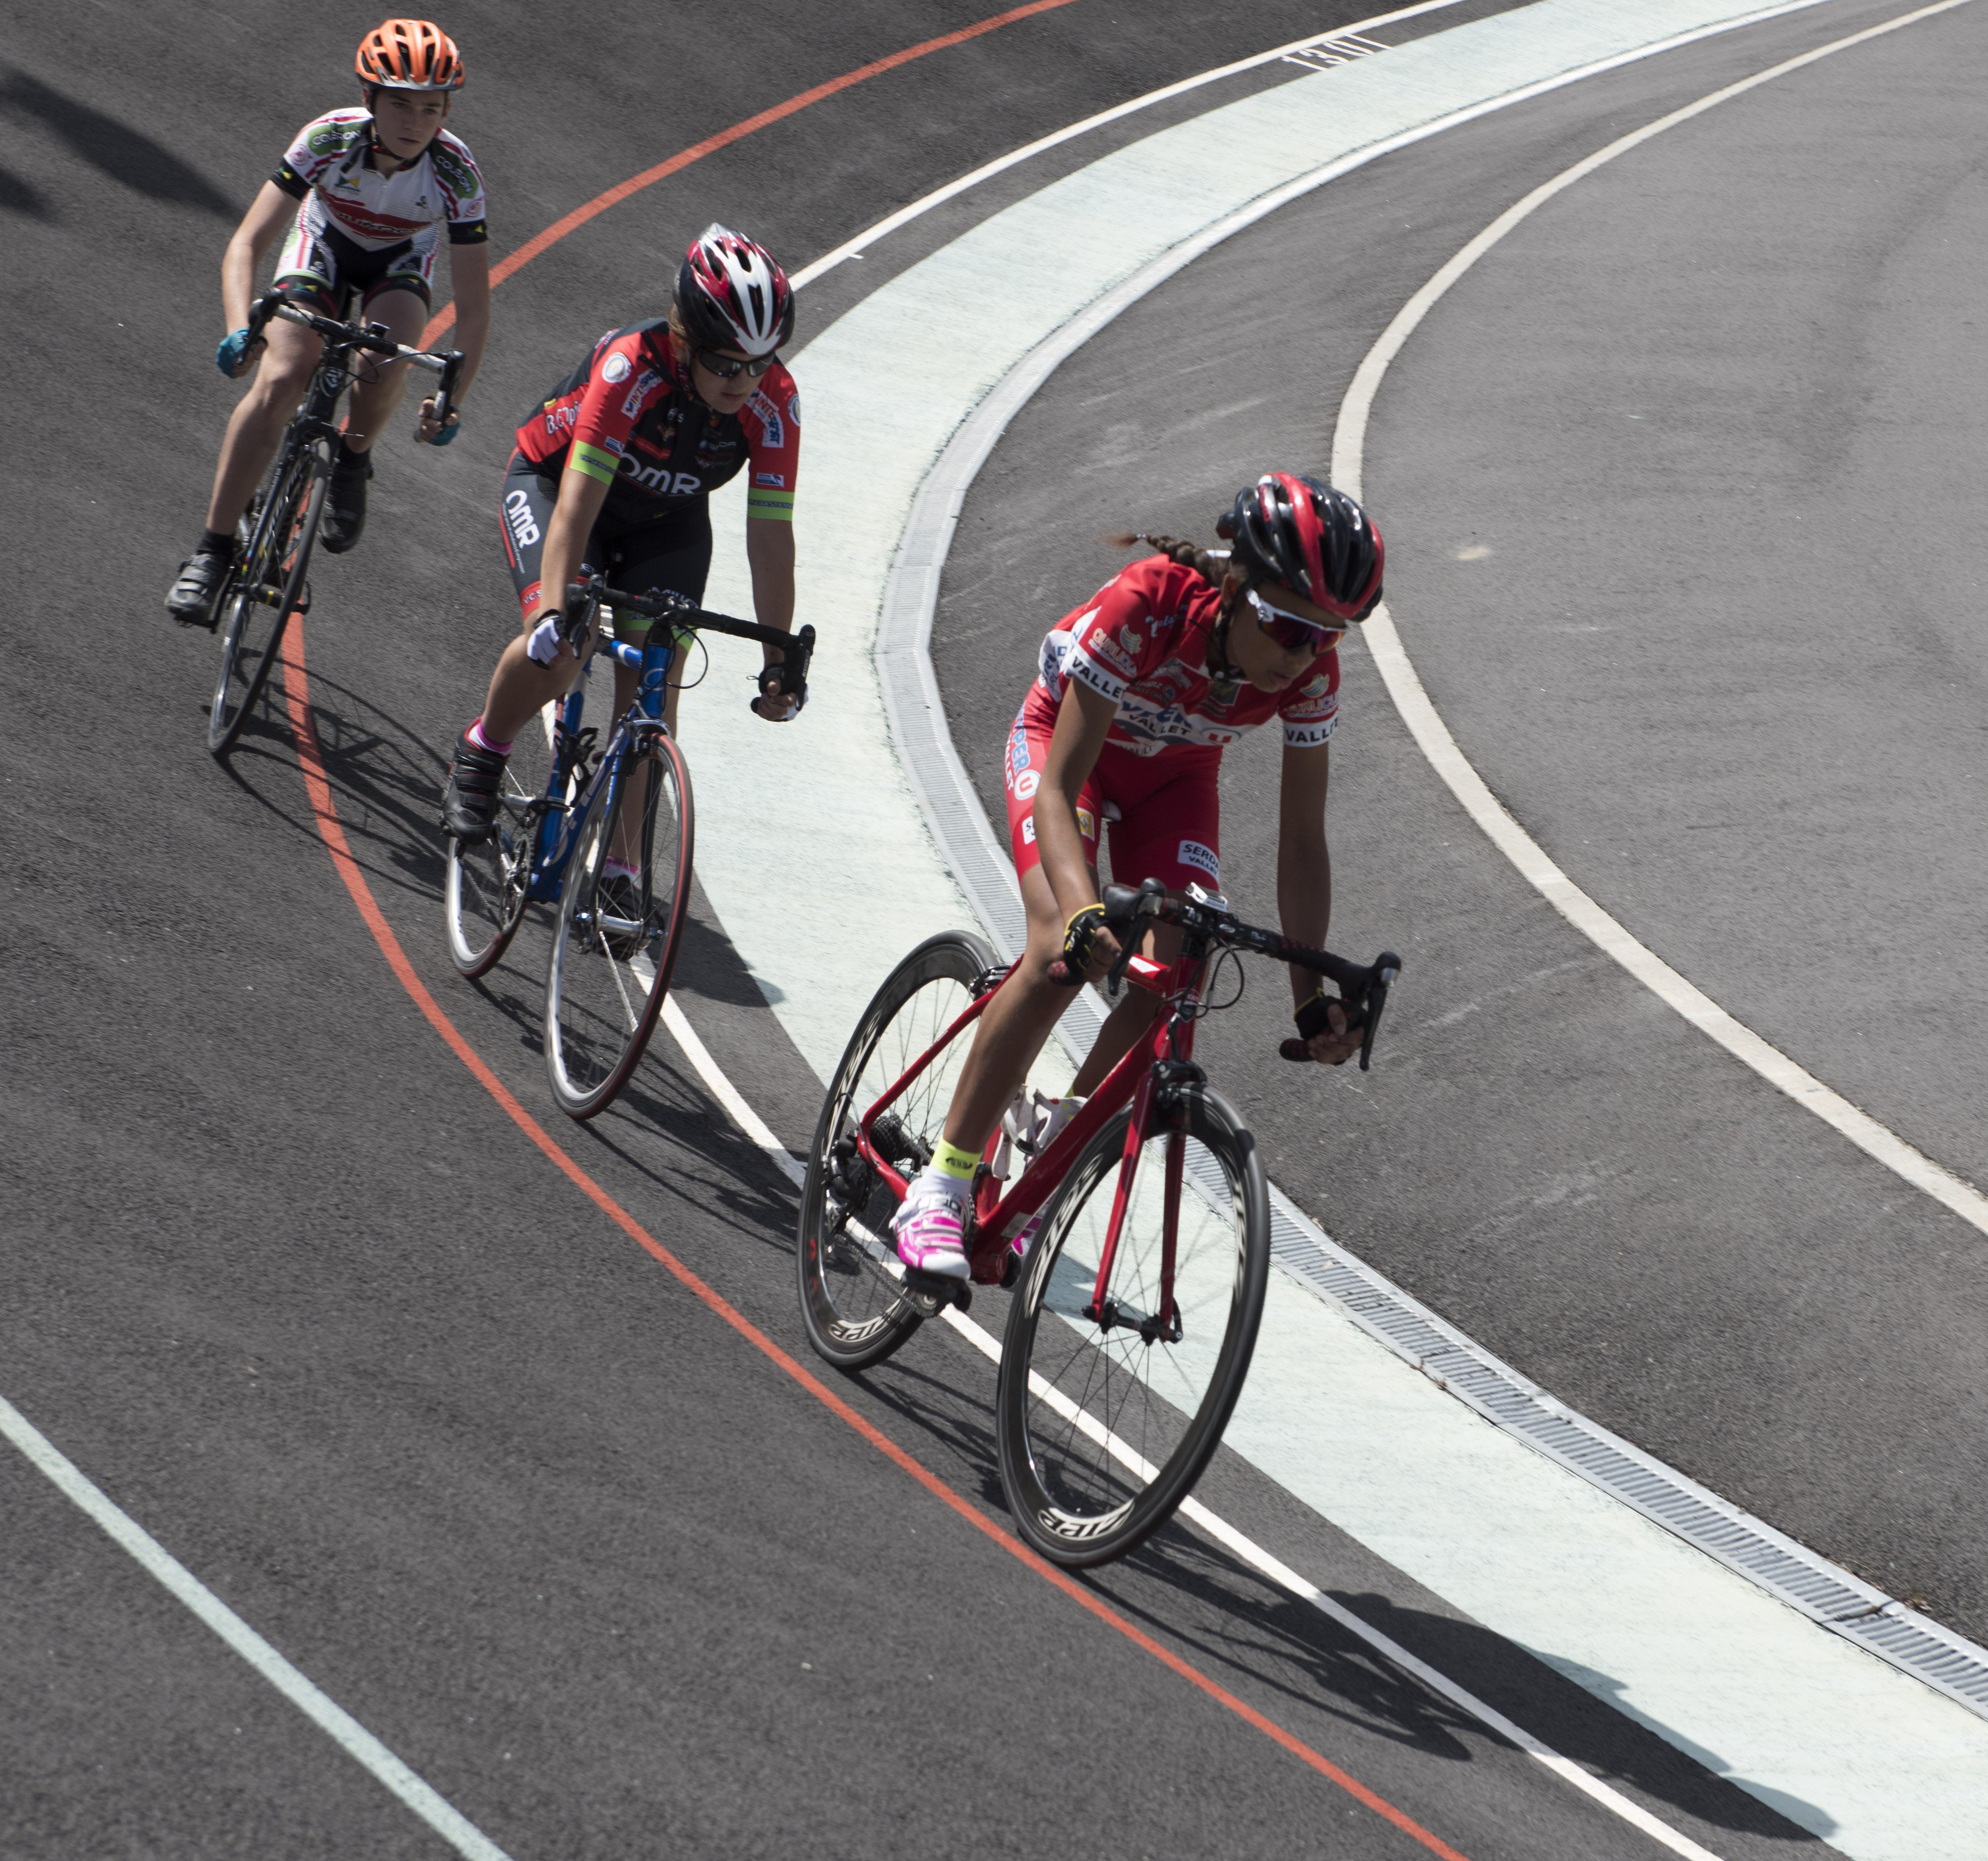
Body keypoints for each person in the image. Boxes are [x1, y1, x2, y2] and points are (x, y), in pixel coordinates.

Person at [887, 472, 1385, 1282]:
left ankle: (1057, 1145)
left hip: (1174, 783)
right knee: (1061, 947)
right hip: (1067, 757)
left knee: (1181, 959)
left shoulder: (1311, 672)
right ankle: (940, 1183)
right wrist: (1084, 914)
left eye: (1329, 637)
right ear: (1235, 587)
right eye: (1290, 629)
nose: (1305, 658)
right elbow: (1056, 787)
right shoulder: (1147, 603)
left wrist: (1310, 994)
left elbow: (1302, 841)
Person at [440, 225, 807, 915]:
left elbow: (770, 537)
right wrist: (552, 612)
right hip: (559, 489)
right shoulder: (629, 367)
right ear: (687, 342)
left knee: (655, 689)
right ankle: (483, 749)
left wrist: (778, 654)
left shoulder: (774, 400)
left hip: (666, 522)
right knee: (565, 650)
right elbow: (576, 512)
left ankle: (622, 864)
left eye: (761, 363)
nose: (745, 381)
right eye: (728, 364)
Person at [166, 19, 494, 625]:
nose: (415, 123)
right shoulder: (328, 138)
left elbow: (474, 308)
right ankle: (211, 551)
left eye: (432, 109)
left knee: (383, 361)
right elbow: (247, 243)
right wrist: (242, 329)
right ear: (369, 99)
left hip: (397, 263)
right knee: (284, 375)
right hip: (322, 247)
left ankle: (353, 457)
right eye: (400, 104)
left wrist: (452, 399)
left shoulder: (457, 174)